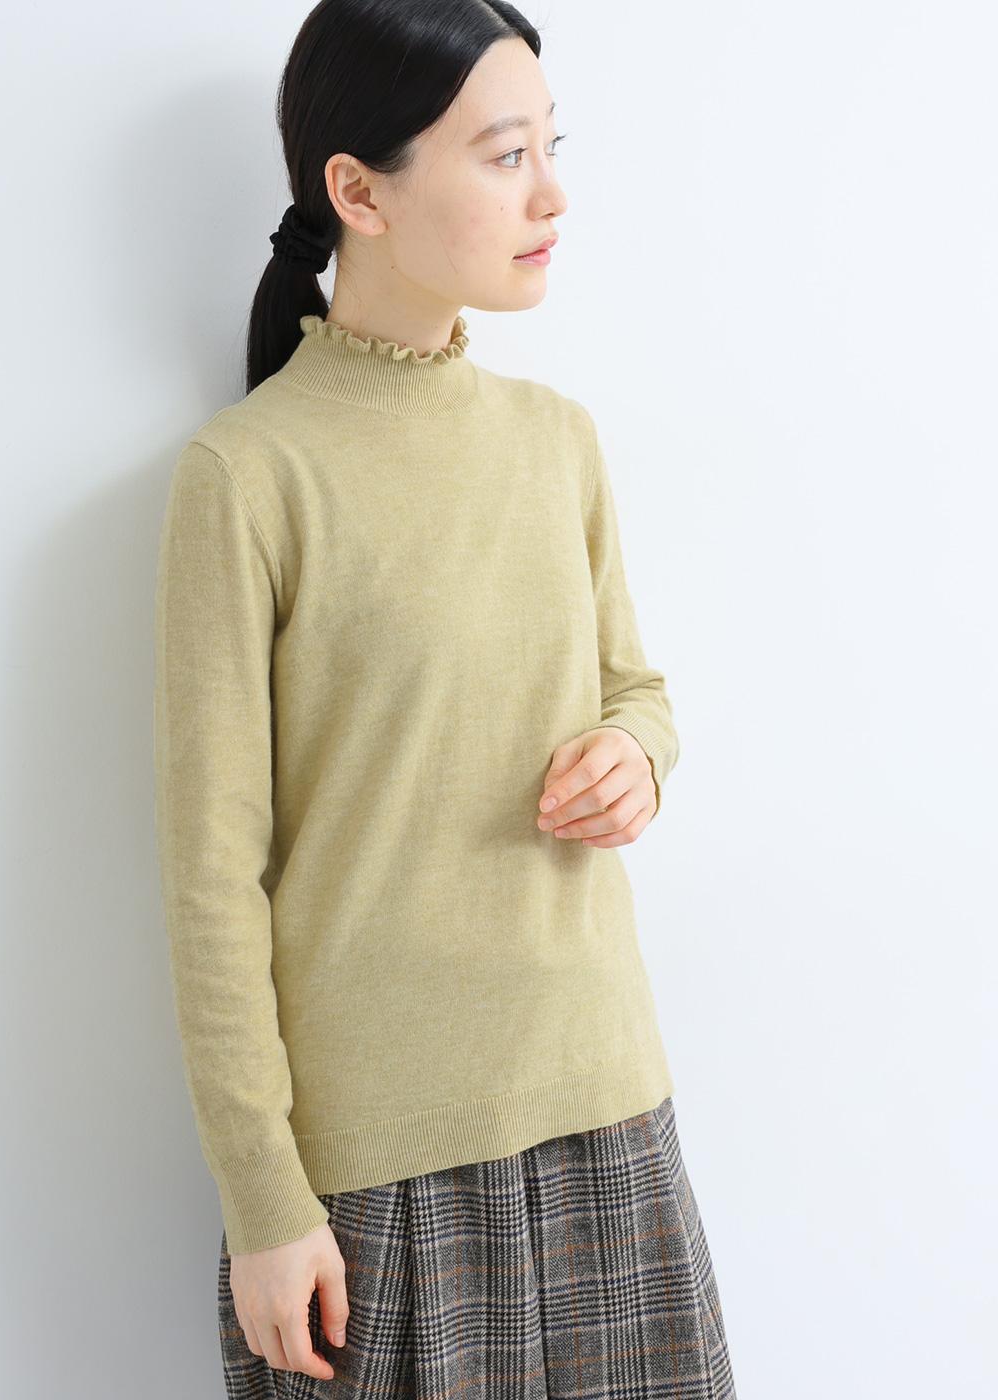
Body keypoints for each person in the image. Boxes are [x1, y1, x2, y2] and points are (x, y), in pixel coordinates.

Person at [153, 1, 737, 1395]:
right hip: (376, 1179)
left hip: (605, 1108)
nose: (551, 195)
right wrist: (263, 1198)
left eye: (550, 147)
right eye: (503, 154)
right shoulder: (249, 477)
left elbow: (638, 692)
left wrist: (635, 755)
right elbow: (211, 878)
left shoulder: (557, 443)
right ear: (359, 192)